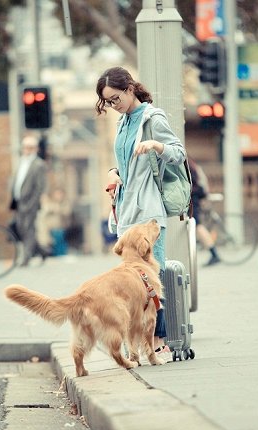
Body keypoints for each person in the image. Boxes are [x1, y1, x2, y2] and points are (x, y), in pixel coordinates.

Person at [96, 66, 187, 356]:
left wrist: (156, 145)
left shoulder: (152, 117)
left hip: (148, 211)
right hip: (126, 210)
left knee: (151, 277)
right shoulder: (123, 122)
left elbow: (179, 154)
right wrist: (114, 173)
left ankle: (158, 340)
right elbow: (125, 165)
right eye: (107, 102)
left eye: (115, 98)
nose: (113, 105)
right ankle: (137, 341)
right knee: (131, 280)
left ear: (130, 88)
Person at [10, 134, 48, 266]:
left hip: (30, 203)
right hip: (18, 202)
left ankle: (26, 258)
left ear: (36, 148)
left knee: (29, 229)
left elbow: (40, 188)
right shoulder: (21, 161)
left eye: (30, 147)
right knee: (21, 229)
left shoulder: (39, 164)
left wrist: (33, 203)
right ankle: (42, 251)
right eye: (25, 147)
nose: (27, 149)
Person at [187, 158, 221, 266]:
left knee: (197, 226)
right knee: (196, 225)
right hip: (195, 197)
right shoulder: (191, 163)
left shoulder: (185, 163)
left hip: (193, 199)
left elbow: (191, 184)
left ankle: (214, 253)